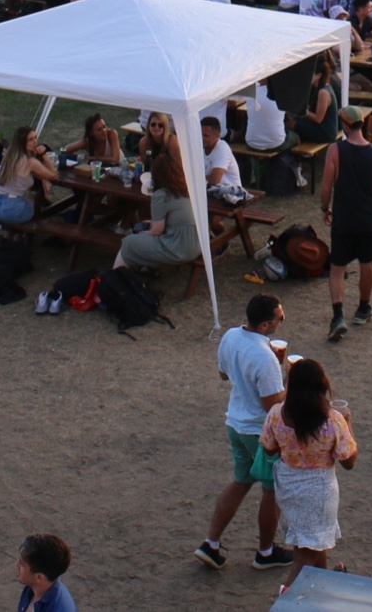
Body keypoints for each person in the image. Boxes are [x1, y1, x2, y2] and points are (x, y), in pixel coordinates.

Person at [195, 293, 294, 574]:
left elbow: (223, 375)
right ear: (264, 325)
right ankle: (265, 552)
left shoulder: (230, 337)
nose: (282, 320)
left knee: (240, 481)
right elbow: (273, 404)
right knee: (272, 491)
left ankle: (210, 543)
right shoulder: (265, 359)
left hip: (235, 424)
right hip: (259, 433)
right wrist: (290, 381)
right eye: (279, 317)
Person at [258, 359, 357, 576]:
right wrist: (348, 424)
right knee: (306, 552)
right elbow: (348, 461)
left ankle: (325, 581)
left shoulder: (277, 413)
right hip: (318, 491)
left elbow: (269, 449)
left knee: (309, 542)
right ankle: (286, 601)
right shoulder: (333, 420)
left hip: (287, 486)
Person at [321, 106, 372, 342]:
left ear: (345, 126)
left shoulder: (335, 150)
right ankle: (363, 308)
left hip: (343, 219)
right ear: (361, 124)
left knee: (337, 268)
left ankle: (337, 316)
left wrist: (325, 208)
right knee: (367, 264)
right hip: (367, 219)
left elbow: (326, 186)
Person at [113, 116, 200, 269]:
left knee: (128, 243)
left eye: (160, 125)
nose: (157, 128)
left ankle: (116, 279)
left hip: (177, 248)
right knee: (140, 236)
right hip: (196, 246)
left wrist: (143, 235)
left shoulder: (161, 196)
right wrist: (152, 225)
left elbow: (157, 231)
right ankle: (141, 269)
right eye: (153, 124)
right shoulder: (185, 190)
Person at [0, 126, 58, 226]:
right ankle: (25, 233)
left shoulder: (10, 154)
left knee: (27, 197)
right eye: (30, 139)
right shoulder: (31, 162)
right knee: (35, 197)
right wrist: (44, 155)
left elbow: (24, 172)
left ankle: (11, 234)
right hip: (12, 213)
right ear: (22, 143)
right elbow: (54, 176)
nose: (35, 142)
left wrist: (43, 178)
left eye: (35, 137)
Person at [14, 534, 74, 612]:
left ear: (39, 577)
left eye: (22, 564)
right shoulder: (34, 587)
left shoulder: (58, 609)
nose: (16, 565)